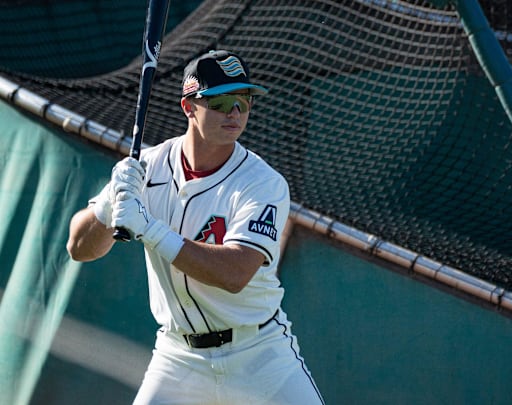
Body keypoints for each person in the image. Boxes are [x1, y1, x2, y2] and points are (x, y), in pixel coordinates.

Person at [66, 49, 324, 405]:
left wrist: (150, 230)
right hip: (179, 357)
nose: (235, 112)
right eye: (220, 102)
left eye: (243, 100)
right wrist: (108, 207)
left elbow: (234, 273)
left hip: (259, 355)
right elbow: (79, 248)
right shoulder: (150, 166)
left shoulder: (263, 183)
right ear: (189, 107)